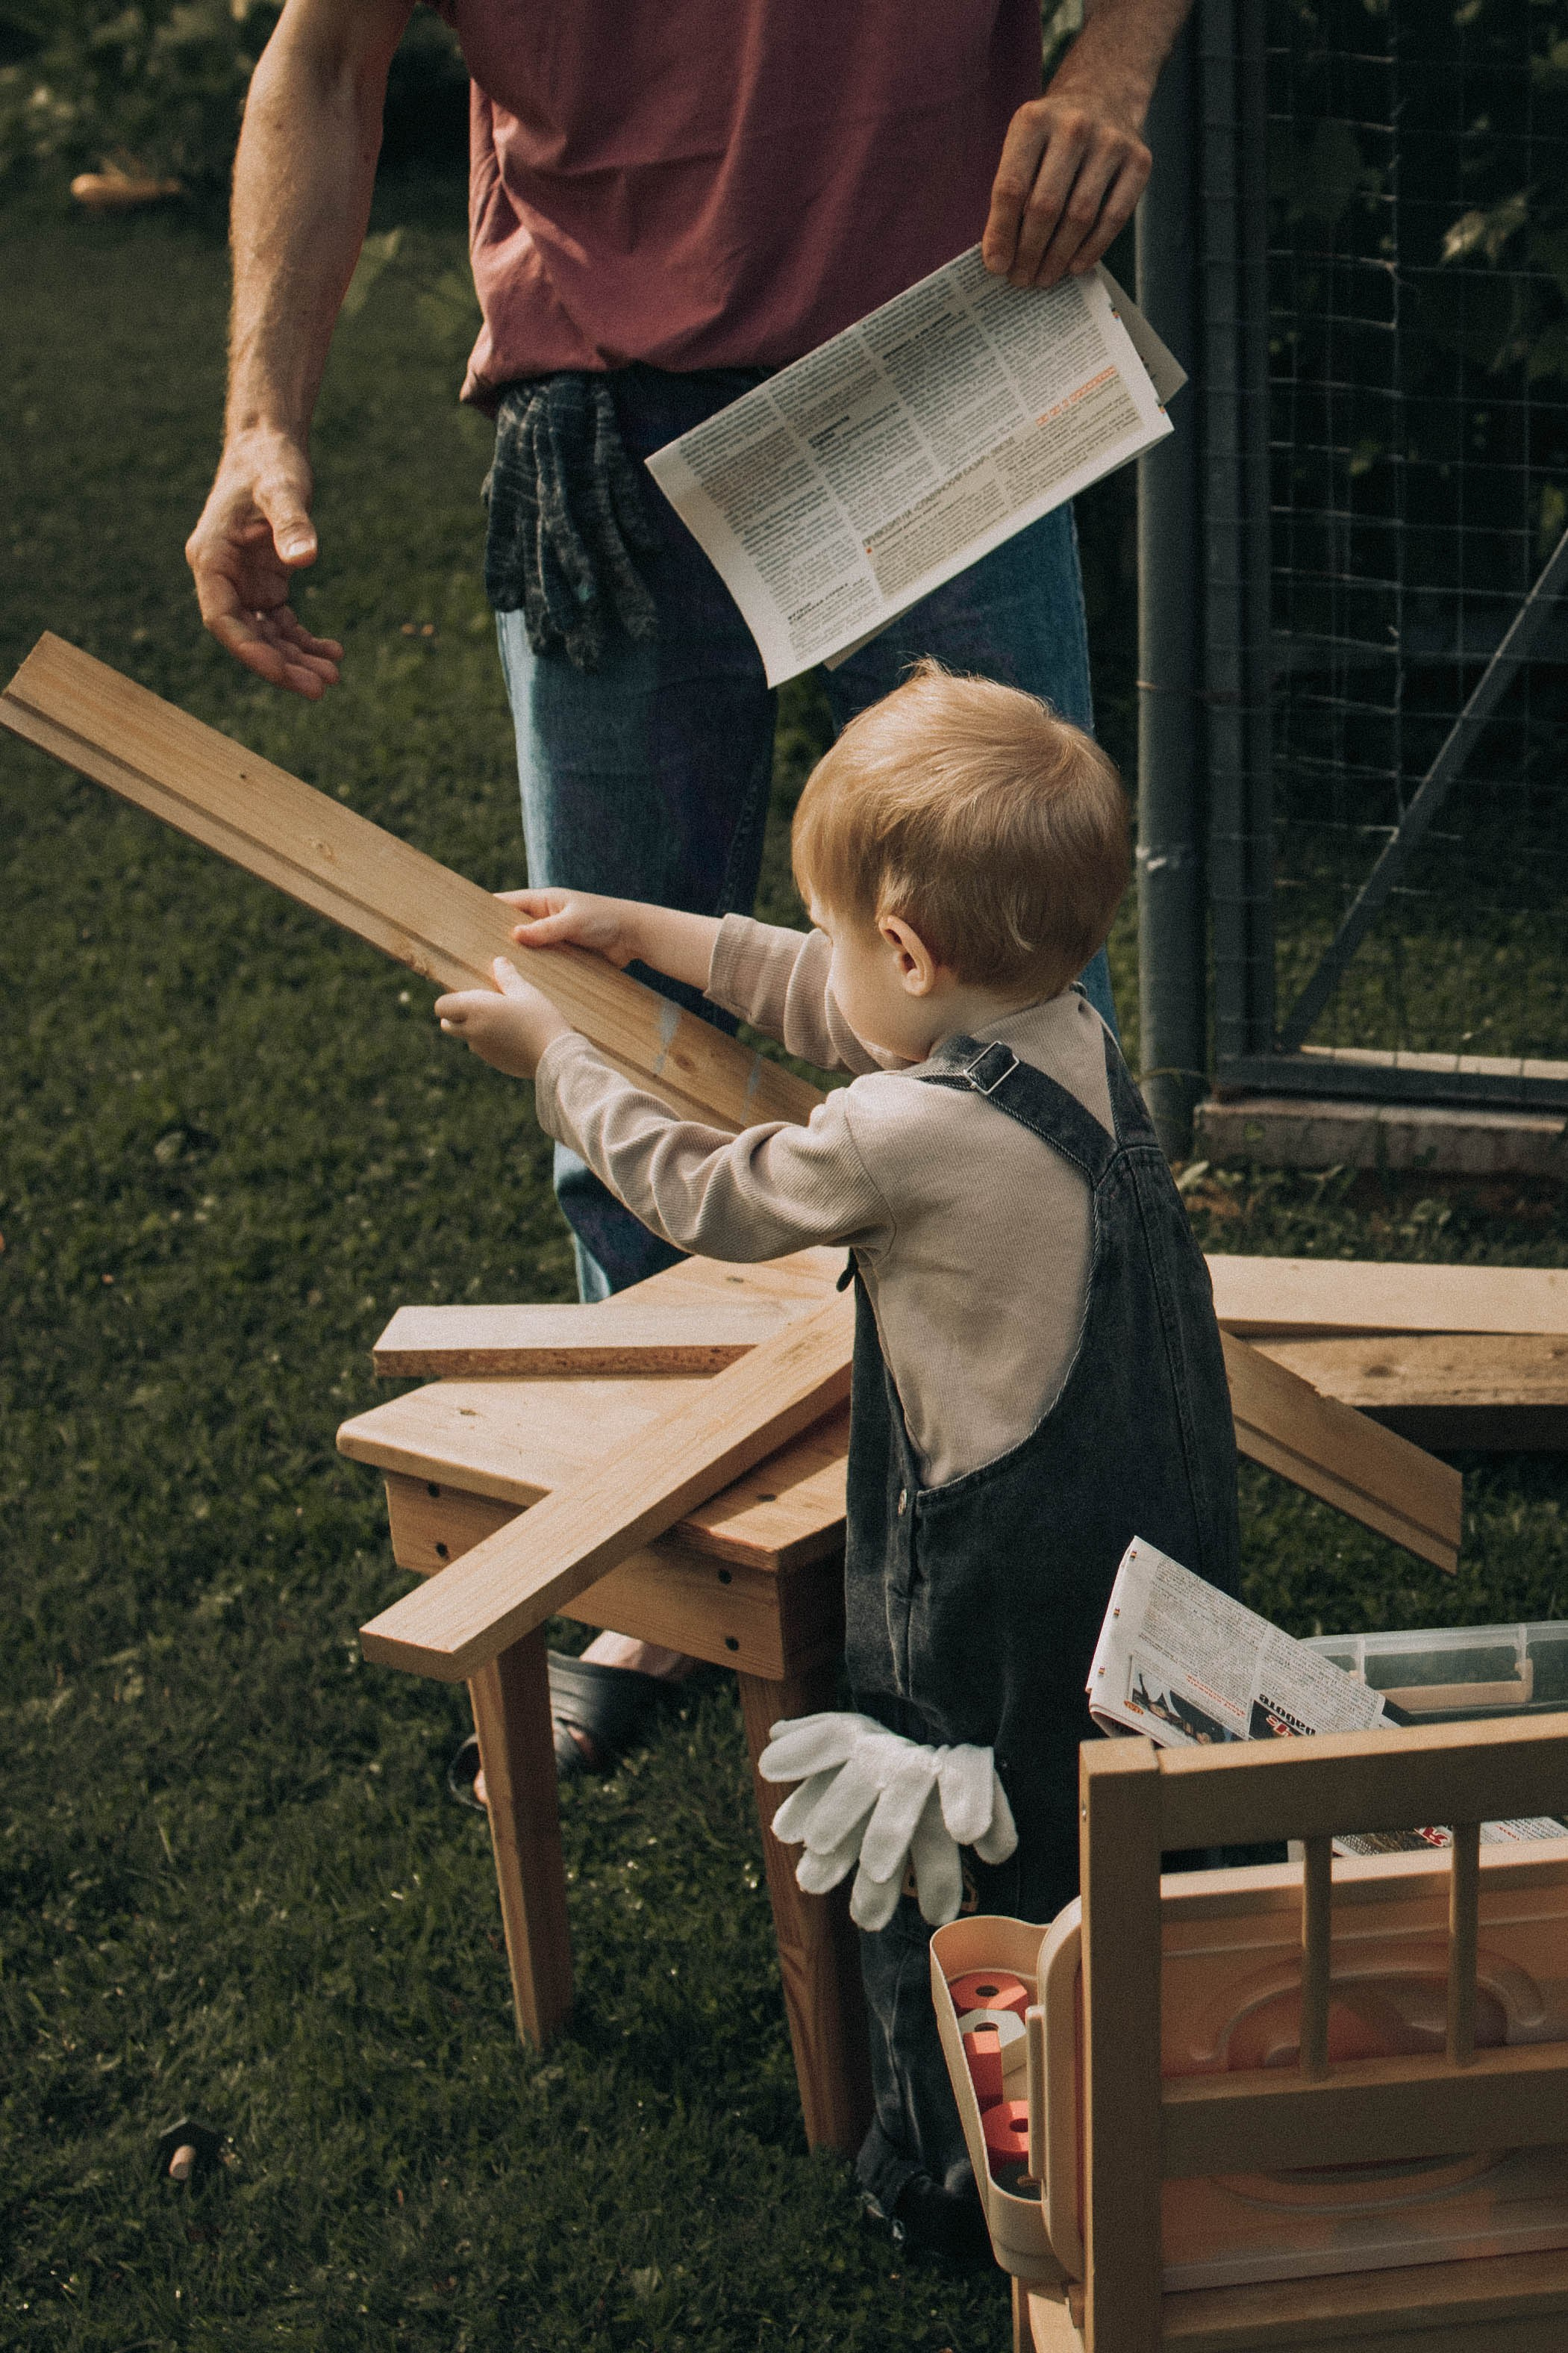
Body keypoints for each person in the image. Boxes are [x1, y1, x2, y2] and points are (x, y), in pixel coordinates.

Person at [185, 0, 1194, 1768]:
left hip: (933, 348)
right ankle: (667, 1565)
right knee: (614, 1019)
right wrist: (259, 419)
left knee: (1022, 1001)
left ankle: (1094, 1556)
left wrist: (1109, 65)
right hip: (602, 408)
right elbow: (322, 60)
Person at [434, 662, 1241, 2257]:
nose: (824, 964)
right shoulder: (1065, 1029)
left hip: (988, 1585)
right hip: (1142, 1539)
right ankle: (1166, 2067)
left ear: (913, 950)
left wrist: (555, 1060)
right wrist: (648, 933)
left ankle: (948, 2177)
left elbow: (710, 1192)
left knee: (951, 1855)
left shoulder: (897, 1136)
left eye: (843, 928)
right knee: (1109, 1824)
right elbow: (840, 993)